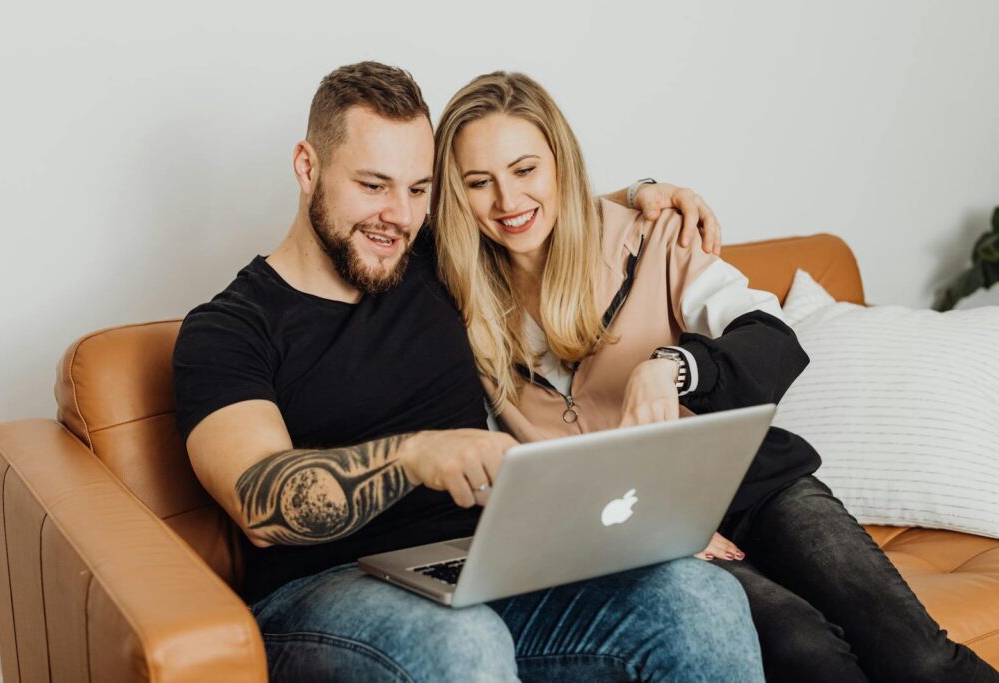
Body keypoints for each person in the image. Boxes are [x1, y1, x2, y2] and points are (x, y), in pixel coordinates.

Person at [173, 61, 764, 682]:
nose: (397, 216)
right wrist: (413, 456)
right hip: (325, 592)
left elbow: (528, 206)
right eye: (373, 185)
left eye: (418, 189)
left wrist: (646, 192)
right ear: (307, 166)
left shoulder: (429, 260)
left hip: (488, 566)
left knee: (701, 600)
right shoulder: (230, 328)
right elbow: (262, 503)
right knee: (462, 639)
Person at [430, 70, 999, 683]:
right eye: (479, 182)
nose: (508, 202)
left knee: (918, 658)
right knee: (805, 652)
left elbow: (774, 341)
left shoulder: (653, 236)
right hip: (634, 529)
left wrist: (673, 366)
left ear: (560, 163)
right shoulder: (451, 302)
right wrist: (653, 526)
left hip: (755, 485)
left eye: (524, 170)